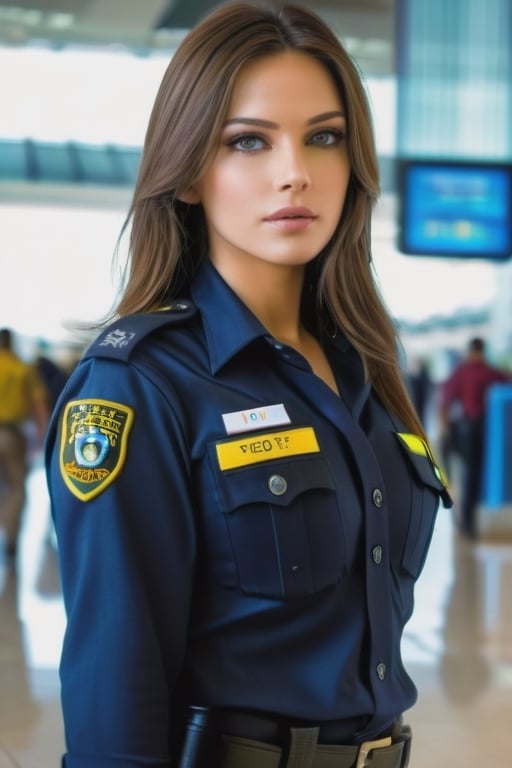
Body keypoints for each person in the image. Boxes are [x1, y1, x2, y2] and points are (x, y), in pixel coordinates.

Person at [45, 3, 452, 767]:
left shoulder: (368, 370)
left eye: (324, 137)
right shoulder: (140, 386)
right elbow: (116, 688)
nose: (294, 170)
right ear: (190, 173)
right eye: (248, 141)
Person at [439, 337, 510, 540]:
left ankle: (466, 522)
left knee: (469, 475)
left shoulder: (463, 372)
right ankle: (467, 523)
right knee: (472, 476)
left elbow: (445, 402)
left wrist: (445, 429)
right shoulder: (485, 372)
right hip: (476, 429)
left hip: (469, 429)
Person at [0, 328, 49, 559]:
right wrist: (43, 436)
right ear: (11, 344)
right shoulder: (22, 369)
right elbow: (39, 404)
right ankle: (11, 541)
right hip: (11, 434)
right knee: (17, 487)